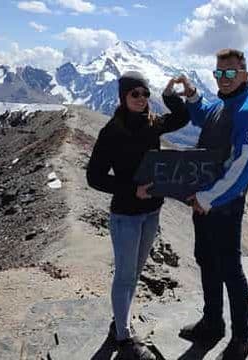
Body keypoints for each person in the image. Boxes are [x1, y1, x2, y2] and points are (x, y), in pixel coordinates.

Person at [86, 71, 189, 360]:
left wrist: (170, 96)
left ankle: (120, 322)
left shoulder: (152, 124)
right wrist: (133, 190)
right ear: (123, 97)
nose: (142, 99)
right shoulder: (111, 132)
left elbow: (182, 118)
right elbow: (93, 177)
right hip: (126, 216)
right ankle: (123, 338)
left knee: (135, 273)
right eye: (135, 94)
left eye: (145, 94)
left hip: (151, 213)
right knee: (125, 275)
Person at [175, 49, 248, 359]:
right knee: (206, 260)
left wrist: (207, 198)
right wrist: (191, 95)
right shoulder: (224, 105)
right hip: (204, 202)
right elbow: (204, 115)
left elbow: (242, 169)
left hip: (223, 206)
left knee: (230, 268)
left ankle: (241, 336)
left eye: (230, 73)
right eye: (219, 73)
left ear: (245, 74)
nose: (224, 79)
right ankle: (212, 323)